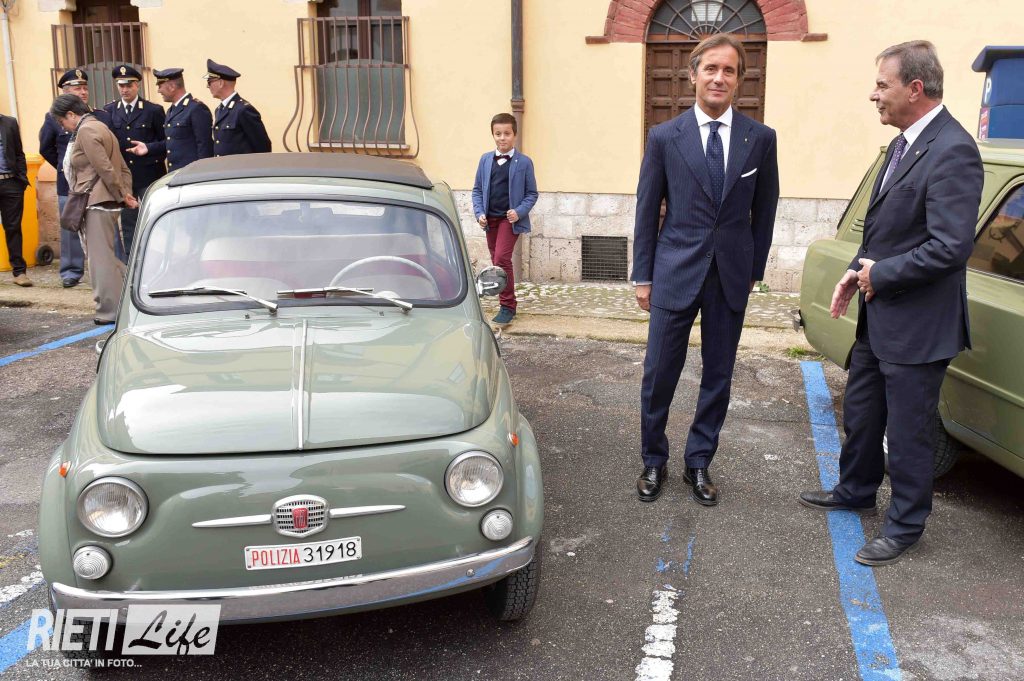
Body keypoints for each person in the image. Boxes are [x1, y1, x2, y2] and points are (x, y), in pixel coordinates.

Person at [799, 41, 984, 566]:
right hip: (880, 316)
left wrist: (880, 274)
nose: (873, 94)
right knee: (862, 413)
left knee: (907, 433)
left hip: (919, 327)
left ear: (915, 89)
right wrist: (854, 270)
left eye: (883, 84)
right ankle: (855, 490)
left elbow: (950, 247)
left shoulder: (953, 150)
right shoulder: (903, 145)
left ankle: (904, 527)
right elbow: (886, 231)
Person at [632, 33, 779, 505]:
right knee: (659, 373)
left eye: (729, 70)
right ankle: (653, 459)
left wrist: (754, 270)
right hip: (674, 270)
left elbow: (765, 209)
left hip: (730, 277)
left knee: (718, 376)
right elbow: (646, 208)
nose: (719, 77)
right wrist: (643, 276)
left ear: (739, 80)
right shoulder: (664, 137)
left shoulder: (760, 139)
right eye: (711, 68)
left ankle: (698, 461)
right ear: (693, 74)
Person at [50, 94, 137, 325]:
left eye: (62, 121)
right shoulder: (101, 127)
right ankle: (137, 291)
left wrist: (122, 196)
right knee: (106, 257)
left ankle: (109, 310)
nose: (63, 126)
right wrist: (124, 194)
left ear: (71, 114)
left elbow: (105, 168)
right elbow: (122, 168)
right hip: (105, 200)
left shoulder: (86, 131)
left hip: (97, 201)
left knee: (100, 261)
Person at [39, 69, 112, 288]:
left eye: (85, 88)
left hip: (98, 182)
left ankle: (110, 268)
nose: (83, 92)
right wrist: (65, 167)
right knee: (70, 225)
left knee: (103, 226)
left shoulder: (101, 116)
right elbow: (46, 147)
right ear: (65, 91)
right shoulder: (53, 118)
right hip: (69, 183)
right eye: (77, 88)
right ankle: (71, 271)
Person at [470, 113, 538, 326]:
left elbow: (532, 194)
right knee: (497, 261)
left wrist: (519, 211)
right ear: (493, 135)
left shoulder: (524, 162)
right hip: (489, 221)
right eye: (498, 134)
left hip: (509, 221)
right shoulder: (485, 160)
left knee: (501, 259)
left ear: (514, 135)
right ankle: (507, 302)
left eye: (507, 133)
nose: (502, 138)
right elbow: (477, 190)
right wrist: (479, 213)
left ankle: (507, 306)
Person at [104, 64, 167, 262]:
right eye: (121, 85)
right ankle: (132, 262)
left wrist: (149, 148)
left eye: (129, 85)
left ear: (137, 85)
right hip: (124, 177)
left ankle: (157, 259)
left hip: (150, 174)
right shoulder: (109, 111)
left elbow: (167, 142)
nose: (124, 89)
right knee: (129, 222)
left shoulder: (153, 110)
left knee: (155, 218)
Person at [144, 67, 214, 171]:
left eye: (160, 86)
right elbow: (172, 141)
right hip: (176, 173)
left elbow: (205, 146)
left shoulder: (196, 109)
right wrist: (148, 147)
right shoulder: (171, 110)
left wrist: (202, 174)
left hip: (192, 174)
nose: (159, 91)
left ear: (172, 86)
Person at [203, 59, 271, 156]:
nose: (208, 86)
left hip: (240, 165)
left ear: (221, 83)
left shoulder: (243, 109)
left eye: (209, 82)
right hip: (224, 165)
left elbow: (262, 146)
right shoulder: (219, 110)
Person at [0, 112, 31, 287]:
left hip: (11, 183)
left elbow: (19, 153)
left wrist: (21, 179)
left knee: (13, 227)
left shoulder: (9, 123)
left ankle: (19, 272)